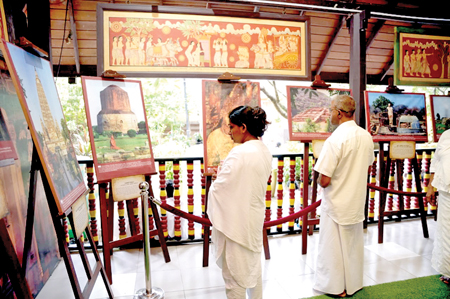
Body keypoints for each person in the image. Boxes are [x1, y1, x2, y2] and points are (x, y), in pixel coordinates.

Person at [207, 106, 272, 299]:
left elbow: (220, 190)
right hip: (252, 218)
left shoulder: (239, 153)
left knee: (233, 276)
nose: (229, 132)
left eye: (232, 126)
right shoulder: (263, 150)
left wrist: (218, 176)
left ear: (243, 128)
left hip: (235, 222)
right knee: (252, 268)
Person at [313, 95, 374, 297]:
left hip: (336, 202)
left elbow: (324, 180)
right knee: (353, 246)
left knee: (332, 248)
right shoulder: (365, 135)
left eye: (331, 110)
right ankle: (354, 284)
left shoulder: (335, 139)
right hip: (356, 200)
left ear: (339, 113)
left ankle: (336, 288)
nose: (329, 114)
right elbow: (367, 164)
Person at [426, 129, 450, 285]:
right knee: (446, 231)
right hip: (446, 192)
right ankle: (448, 271)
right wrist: (430, 186)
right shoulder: (446, 135)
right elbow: (436, 162)